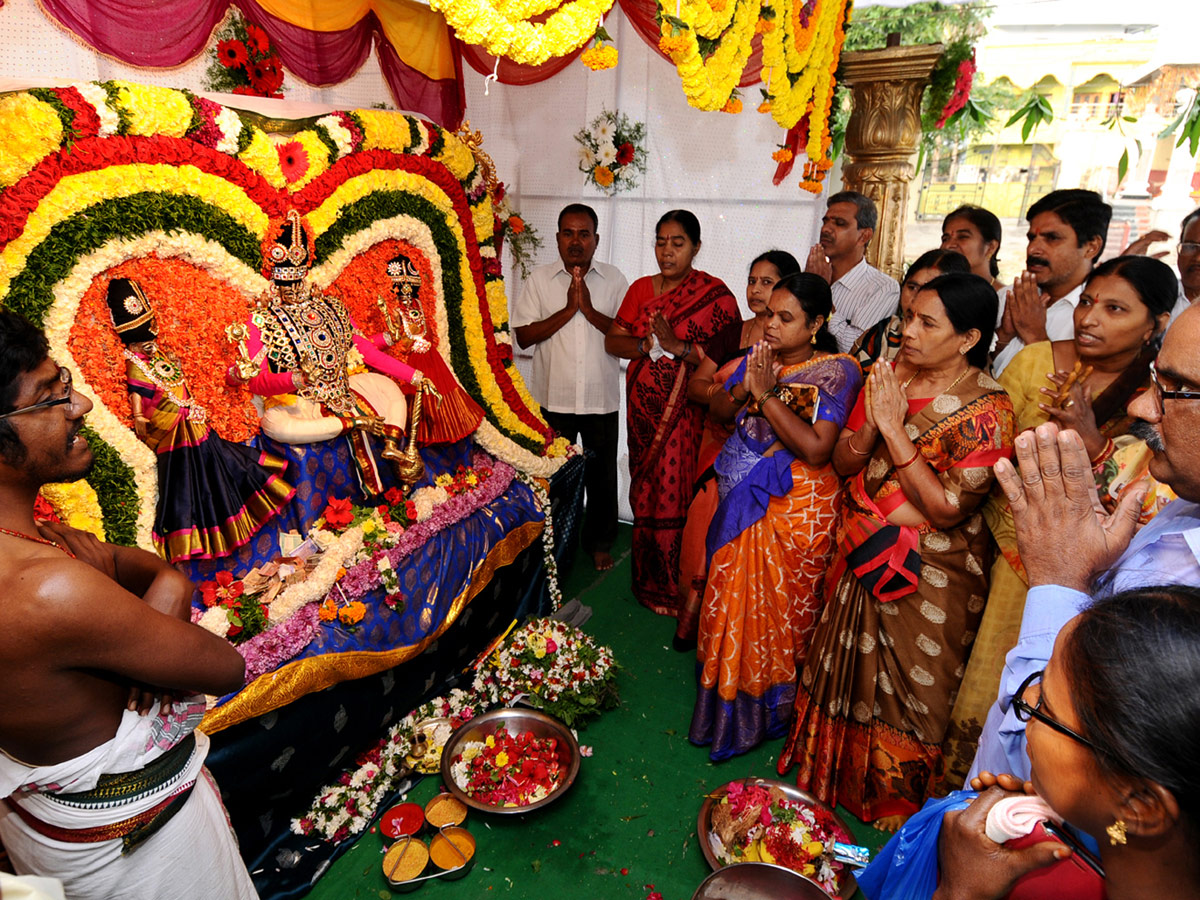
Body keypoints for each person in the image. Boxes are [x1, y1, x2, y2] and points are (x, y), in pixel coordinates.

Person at [0, 313, 257, 899]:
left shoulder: (29, 548)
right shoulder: (50, 587)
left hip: (47, 831)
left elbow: (131, 566)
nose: (81, 405)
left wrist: (168, 583)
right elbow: (225, 667)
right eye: (50, 396)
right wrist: (148, 586)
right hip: (139, 856)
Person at [777, 273, 1015, 830]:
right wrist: (871, 425)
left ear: (968, 339)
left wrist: (894, 427)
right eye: (908, 316)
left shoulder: (989, 409)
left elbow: (949, 508)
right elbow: (841, 463)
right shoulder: (889, 375)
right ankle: (830, 768)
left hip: (933, 566)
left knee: (914, 677)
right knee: (845, 661)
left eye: (927, 323)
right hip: (864, 543)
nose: (907, 330)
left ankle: (895, 793)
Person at [943, 256, 1176, 786]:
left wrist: (1093, 443)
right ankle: (963, 795)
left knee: (1048, 694)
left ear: (1156, 323)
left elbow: (1136, 495)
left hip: (1087, 576)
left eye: (1115, 308)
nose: (1089, 318)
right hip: (1003, 550)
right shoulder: (1035, 362)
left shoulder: (1155, 393)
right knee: (980, 676)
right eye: (1088, 302)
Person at [861, 585, 1200, 900]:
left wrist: (959, 892)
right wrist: (1077, 819)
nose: (1026, 699)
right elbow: (1119, 834)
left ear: (1141, 804)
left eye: (1046, 708)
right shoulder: (1121, 838)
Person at [688, 273, 861, 759]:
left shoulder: (837, 370)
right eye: (769, 315)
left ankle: (772, 709)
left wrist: (765, 394)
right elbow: (721, 410)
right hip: (742, 503)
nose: (771, 325)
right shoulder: (760, 360)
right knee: (731, 601)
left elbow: (816, 446)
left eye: (786, 318)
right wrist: (746, 387)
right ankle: (726, 703)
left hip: (795, 509)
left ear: (816, 324)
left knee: (780, 615)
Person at [225, 209, 435, 496]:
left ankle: (390, 444)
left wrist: (415, 375)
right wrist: (296, 379)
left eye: (297, 281)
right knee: (274, 424)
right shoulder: (260, 320)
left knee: (388, 388)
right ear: (275, 280)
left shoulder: (331, 308)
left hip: (345, 389)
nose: (293, 290)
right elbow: (257, 383)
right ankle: (349, 423)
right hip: (302, 404)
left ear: (306, 272)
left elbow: (365, 352)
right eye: (286, 284)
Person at [605, 210, 739, 615]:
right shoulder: (641, 290)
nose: (667, 251)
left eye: (677, 243)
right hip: (643, 411)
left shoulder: (716, 296)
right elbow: (614, 342)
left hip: (686, 413)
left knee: (676, 490)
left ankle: (676, 586)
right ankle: (646, 580)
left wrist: (678, 345)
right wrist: (646, 346)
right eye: (661, 242)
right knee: (646, 491)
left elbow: (730, 358)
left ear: (695, 247)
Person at [106, 278, 295, 563]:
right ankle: (202, 535)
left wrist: (188, 398)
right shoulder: (134, 362)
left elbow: (173, 379)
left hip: (192, 418)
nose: (149, 344)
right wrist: (139, 416)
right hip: (171, 427)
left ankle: (235, 514)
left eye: (150, 337)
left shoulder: (156, 353)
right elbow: (138, 393)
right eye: (142, 340)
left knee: (217, 460)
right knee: (193, 478)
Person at [674, 249, 800, 647]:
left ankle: (736, 632)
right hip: (717, 447)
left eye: (768, 282)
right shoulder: (734, 333)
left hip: (766, 462)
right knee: (702, 530)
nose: (757, 290)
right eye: (752, 280)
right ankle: (695, 623)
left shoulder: (797, 348)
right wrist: (730, 395)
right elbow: (696, 385)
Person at [512, 204, 628, 571]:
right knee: (554, 477)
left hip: (600, 399)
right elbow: (524, 338)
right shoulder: (538, 280)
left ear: (596, 239)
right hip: (553, 399)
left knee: (602, 477)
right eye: (568, 233)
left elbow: (630, 337)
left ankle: (599, 543)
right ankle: (553, 545)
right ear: (558, 238)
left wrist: (589, 311)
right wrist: (567, 310)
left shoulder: (615, 280)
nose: (575, 241)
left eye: (584, 234)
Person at [992, 189, 1112, 377]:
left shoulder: (1100, 319)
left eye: (1052, 238)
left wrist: (1035, 336)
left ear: (1091, 247)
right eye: (1032, 238)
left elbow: (1070, 399)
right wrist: (1004, 337)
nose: (1033, 249)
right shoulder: (1009, 297)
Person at [803, 190, 900, 354]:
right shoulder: (813, 272)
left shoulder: (883, 288)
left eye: (839, 223)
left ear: (864, 236)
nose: (826, 229)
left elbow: (855, 349)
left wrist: (821, 291)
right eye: (825, 221)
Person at [851, 248, 971, 376]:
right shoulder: (884, 332)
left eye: (930, 291)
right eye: (912, 287)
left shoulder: (964, 349)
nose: (916, 299)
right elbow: (848, 383)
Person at [940, 205, 1005, 291]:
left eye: (962, 237)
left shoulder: (1008, 299)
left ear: (991, 247)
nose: (948, 245)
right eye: (945, 239)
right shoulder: (935, 292)